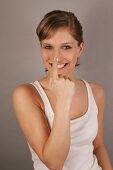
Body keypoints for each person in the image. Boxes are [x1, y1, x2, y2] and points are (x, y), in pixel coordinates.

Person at [12, 10, 113, 170]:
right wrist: (64, 99)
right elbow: (54, 163)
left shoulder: (95, 92)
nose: (56, 56)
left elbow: (98, 147)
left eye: (66, 47)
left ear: (80, 49)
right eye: (48, 47)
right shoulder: (27, 94)